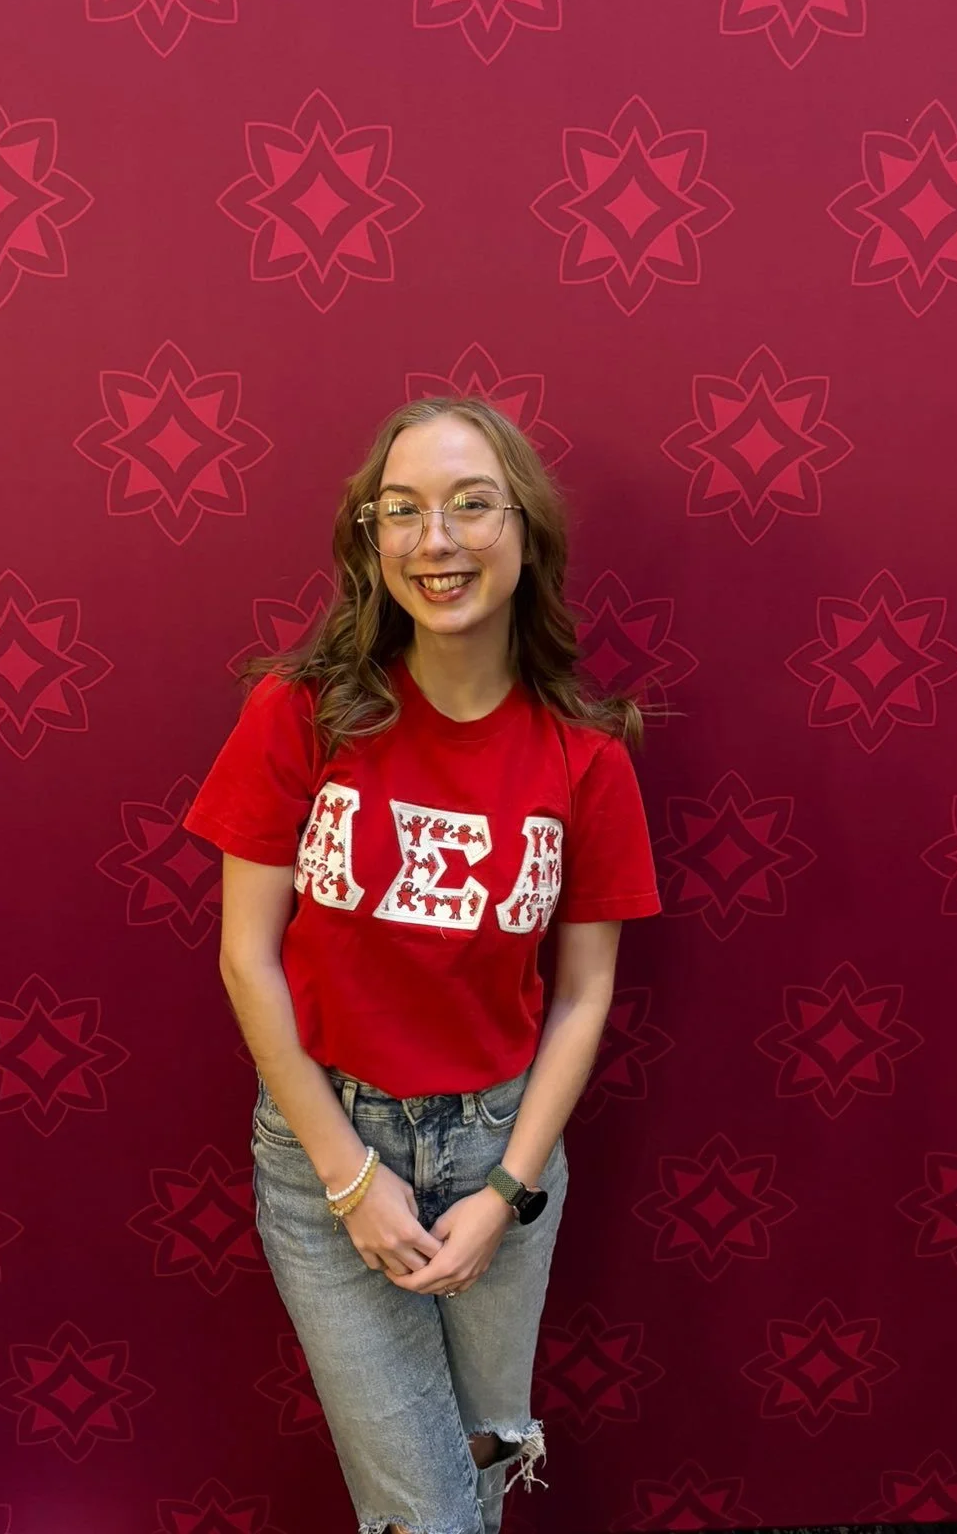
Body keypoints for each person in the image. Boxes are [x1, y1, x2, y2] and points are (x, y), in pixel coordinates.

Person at [183, 397, 661, 1534]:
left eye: (468, 506)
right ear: (370, 542)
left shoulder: (586, 758)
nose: (433, 540)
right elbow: (247, 960)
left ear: (527, 532)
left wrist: (507, 1193)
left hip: (505, 1150)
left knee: (487, 1466)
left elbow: (586, 994)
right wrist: (350, 1178)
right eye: (401, 511)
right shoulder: (300, 714)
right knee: (425, 1513)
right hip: (323, 1152)